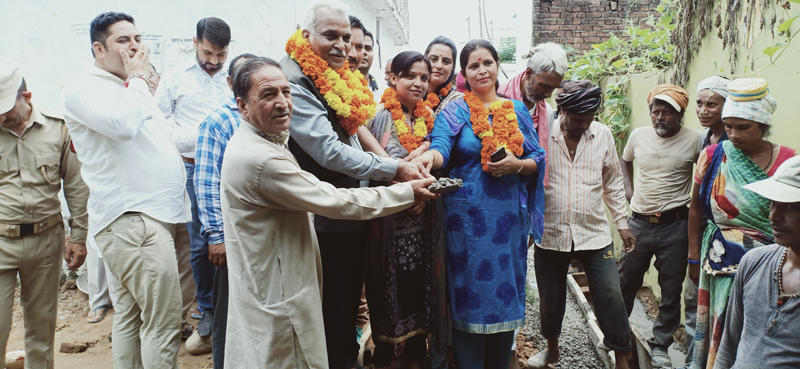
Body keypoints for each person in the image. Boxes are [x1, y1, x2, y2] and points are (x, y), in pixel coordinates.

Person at [220, 56, 438, 369]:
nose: (283, 103)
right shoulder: (260, 159)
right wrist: (406, 191)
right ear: (242, 106)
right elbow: (336, 201)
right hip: (278, 292)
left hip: (275, 280)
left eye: (287, 92)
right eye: (269, 95)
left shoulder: (265, 140)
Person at [279, 1, 429, 367]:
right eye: (331, 36)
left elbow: (350, 130)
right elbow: (330, 152)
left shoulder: (334, 75)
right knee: (334, 306)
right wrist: (393, 168)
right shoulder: (296, 80)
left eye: (346, 37)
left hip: (350, 210)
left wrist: (392, 167)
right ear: (305, 36)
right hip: (326, 216)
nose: (342, 46)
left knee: (346, 304)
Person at [61, 12, 189, 368]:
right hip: (133, 219)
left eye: (137, 38)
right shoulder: (83, 86)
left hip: (149, 219)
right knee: (163, 322)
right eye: (123, 40)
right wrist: (138, 79)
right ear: (98, 49)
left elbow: (165, 136)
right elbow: (122, 126)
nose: (135, 46)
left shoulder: (128, 86)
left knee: (133, 318)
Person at [413, 39, 546, 368]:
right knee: (469, 302)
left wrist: (517, 165)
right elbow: (442, 144)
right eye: (474, 65)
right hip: (467, 226)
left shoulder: (516, 111)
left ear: (498, 65)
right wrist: (429, 155)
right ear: (464, 74)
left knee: (503, 300)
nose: (482, 70)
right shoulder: (455, 110)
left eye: (487, 62)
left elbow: (537, 159)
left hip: (507, 226)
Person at [687, 78, 796, 369]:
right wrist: (693, 257)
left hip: (770, 268)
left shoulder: (787, 161)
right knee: (721, 328)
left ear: (763, 126)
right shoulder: (712, 156)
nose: (733, 135)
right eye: (729, 126)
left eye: (743, 127)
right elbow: (696, 209)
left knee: (759, 328)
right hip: (720, 264)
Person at [526, 80, 635, 369]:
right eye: (578, 119)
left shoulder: (602, 135)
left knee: (611, 294)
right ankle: (551, 350)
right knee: (550, 298)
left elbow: (612, 182)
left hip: (595, 234)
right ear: (562, 109)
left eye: (589, 119)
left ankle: (622, 357)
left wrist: (621, 223)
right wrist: (527, 224)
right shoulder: (541, 134)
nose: (584, 125)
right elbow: (526, 181)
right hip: (551, 232)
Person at [0, 57, 89, 369]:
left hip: (45, 243)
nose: (1, 118)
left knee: (41, 330)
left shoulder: (58, 128)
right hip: (0, 241)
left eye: (6, 112)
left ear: (26, 97)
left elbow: (76, 185)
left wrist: (78, 236)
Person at [155, 17, 232, 330]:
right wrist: (198, 138)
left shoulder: (237, 74)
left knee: (235, 236)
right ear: (195, 43)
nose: (213, 61)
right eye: (207, 53)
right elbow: (158, 120)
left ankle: (233, 305)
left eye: (220, 55)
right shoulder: (175, 77)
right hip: (192, 169)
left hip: (232, 170)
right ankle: (207, 308)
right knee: (202, 242)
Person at [618, 84, 702, 368]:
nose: (660, 117)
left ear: (680, 114)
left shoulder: (697, 140)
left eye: (667, 112)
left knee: (671, 289)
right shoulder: (638, 135)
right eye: (656, 111)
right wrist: (628, 189)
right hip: (638, 224)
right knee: (624, 281)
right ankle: (618, 336)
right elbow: (624, 160)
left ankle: (660, 345)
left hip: (675, 227)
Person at [366, 51, 437, 369]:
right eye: (410, 75)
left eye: (424, 77)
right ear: (393, 78)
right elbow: (379, 168)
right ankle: (392, 354)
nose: (419, 83)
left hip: (423, 223)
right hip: (392, 223)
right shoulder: (381, 117)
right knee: (392, 286)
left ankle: (415, 350)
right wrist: (420, 154)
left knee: (420, 285)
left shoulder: (426, 117)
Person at [194, 52, 255, 369]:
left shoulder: (266, 118)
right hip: (231, 238)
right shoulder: (219, 122)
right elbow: (205, 183)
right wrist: (216, 237)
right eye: (242, 75)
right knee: (228, 315)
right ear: (232, 83)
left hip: (261, 241)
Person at [713, 155, 800, 369]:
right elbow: (730, 343)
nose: (773, 216)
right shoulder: (754, 261)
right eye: (773, 203)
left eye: (789, 207)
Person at [419, 35, 463, 369]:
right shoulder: (411, 96)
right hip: (409, 204)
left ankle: (444, 353)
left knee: (443, 278)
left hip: (446, 204)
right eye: (433, 58)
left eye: (446, 61)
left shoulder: (459, 103)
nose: (438, 66)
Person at [682, 75, 730, 369]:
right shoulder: (705, 139)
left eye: (711, 104)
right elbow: (697, 200)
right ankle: (694, 361)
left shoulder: (732, 141)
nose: (702, 110)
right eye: (699, 104)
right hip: (704, 235)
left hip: (728, 241)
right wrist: (693, 252)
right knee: (694, 301)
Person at [498, 42, 567, 187]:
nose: (548, 94)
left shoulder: (546, 112)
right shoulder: (497, 98)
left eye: (553, 88)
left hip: (527, 188)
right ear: (529, 74)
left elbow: (539, 157)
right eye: (544, 86)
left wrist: (518, 165)